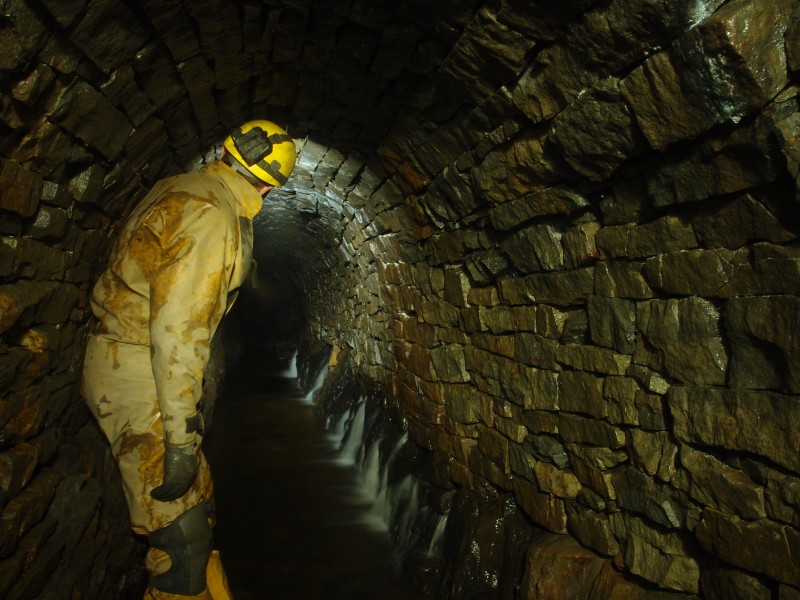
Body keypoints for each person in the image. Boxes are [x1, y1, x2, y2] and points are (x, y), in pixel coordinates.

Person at [82, 120, 296, 600]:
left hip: (130, 362)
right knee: (181, 539)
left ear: (227, 151)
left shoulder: (181, 187)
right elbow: (178, 329)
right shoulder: (210, 214)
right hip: (140, 373)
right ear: (270, 185)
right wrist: (181, 439)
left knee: (200, 510)